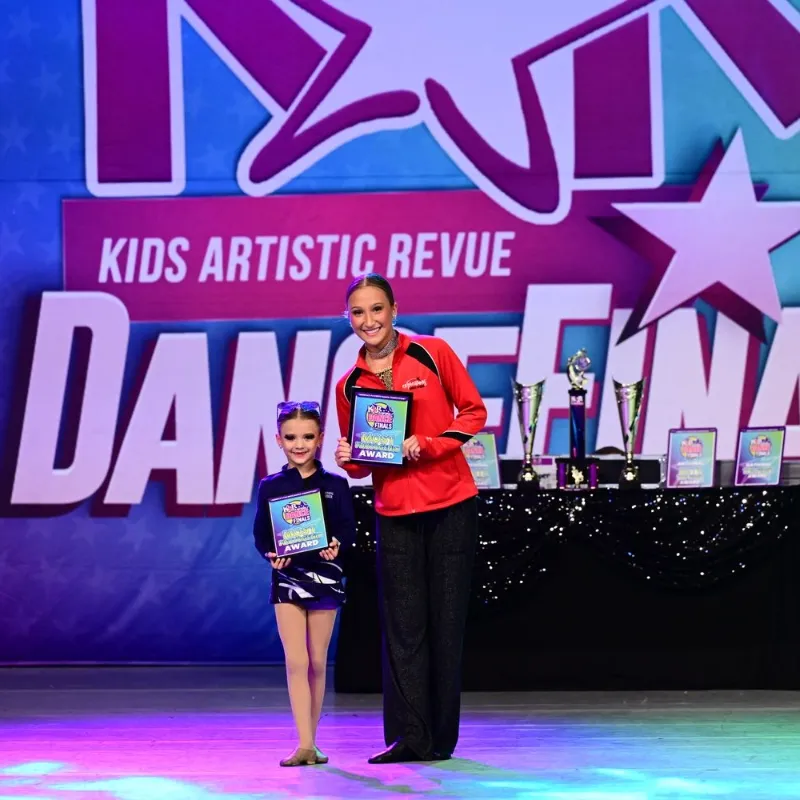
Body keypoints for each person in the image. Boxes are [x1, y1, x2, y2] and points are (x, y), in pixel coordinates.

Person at [334, 273, 487, 764]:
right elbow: (364, 462)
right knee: (403, 629)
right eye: (358, 312)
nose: (369, 320)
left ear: (394, 310)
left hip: (451, 505)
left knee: (445, 623)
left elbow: (473, 412)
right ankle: (408, 737)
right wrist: (348, 459)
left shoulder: (432, 352)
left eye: (377, 309)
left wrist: (430, 445)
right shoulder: (349, 385)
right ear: (349, 319)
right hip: (394, 511)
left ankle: (441, 739)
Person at [253, 400, 356, 767]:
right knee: (296, 661)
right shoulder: (271, 485)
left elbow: (348, 529)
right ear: (278, 440)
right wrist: (271, 554)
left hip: (326, 578)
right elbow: (262, 534)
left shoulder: (336, 484)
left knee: (316, 661)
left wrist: (337, 545)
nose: (299, 445)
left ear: (321, 438)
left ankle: (313, 742)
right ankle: (305, 744)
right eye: (291, 437)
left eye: (308, 437)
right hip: (287, 579)